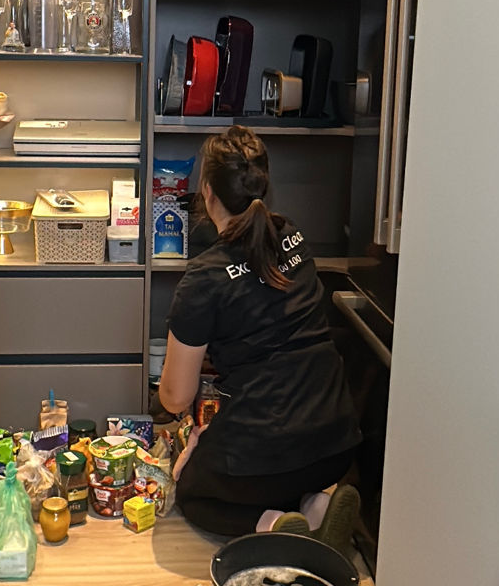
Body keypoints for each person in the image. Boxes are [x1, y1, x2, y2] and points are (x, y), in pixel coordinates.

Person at [152, 125, 361, 538]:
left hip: (269, 452)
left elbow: (175, 397)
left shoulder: (205, 277)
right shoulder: (293, 237)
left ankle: (279, 527)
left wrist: (197, 442)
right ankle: (316, 506)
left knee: (193, 492)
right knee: (275, 472)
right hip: (336, 445)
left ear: (207, 192)